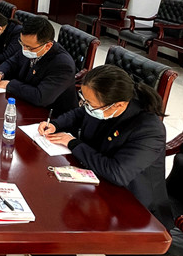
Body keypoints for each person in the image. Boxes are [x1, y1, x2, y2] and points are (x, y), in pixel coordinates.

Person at [37, 65, 174, 231]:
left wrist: (72, 143)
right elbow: (80, 113)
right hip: (97, 184)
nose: (86, 106)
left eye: (90, 104)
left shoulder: (148, 130)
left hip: (135, 210)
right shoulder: (103, 106)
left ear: (118, 105)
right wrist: (56, 124)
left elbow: (117, 173)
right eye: (84, 100)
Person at [0, 16, 78, 114]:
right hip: (25, 104)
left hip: (51, 115)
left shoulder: (63, 65)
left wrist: (9, 84)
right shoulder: (31, 46)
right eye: (22, 44)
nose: (24, 49)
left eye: (28, 47)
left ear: (48, 46)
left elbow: (40, 97)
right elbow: (12, 62)